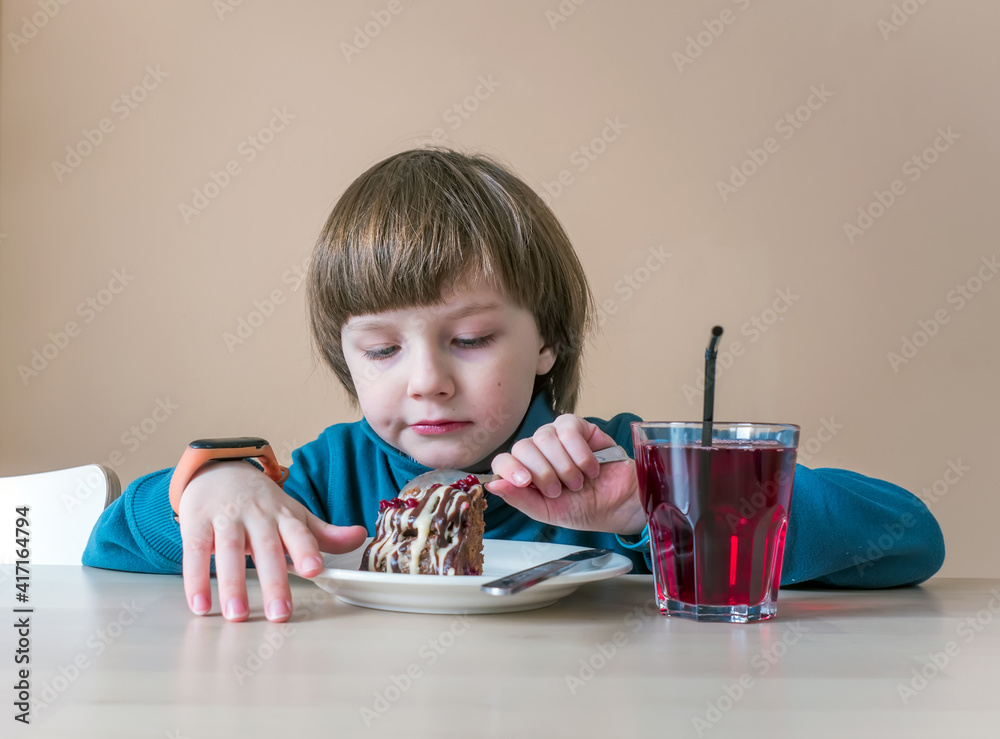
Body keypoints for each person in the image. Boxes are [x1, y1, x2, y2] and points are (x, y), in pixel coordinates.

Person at [83, 148, 945, 622]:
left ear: (549, 342)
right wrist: (218, 485)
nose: (426, 381)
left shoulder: (610, 463)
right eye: (380, 350)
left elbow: (908, 537)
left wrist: (661, 504)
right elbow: (109, 547)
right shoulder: (327, 482)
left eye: (468, 338)